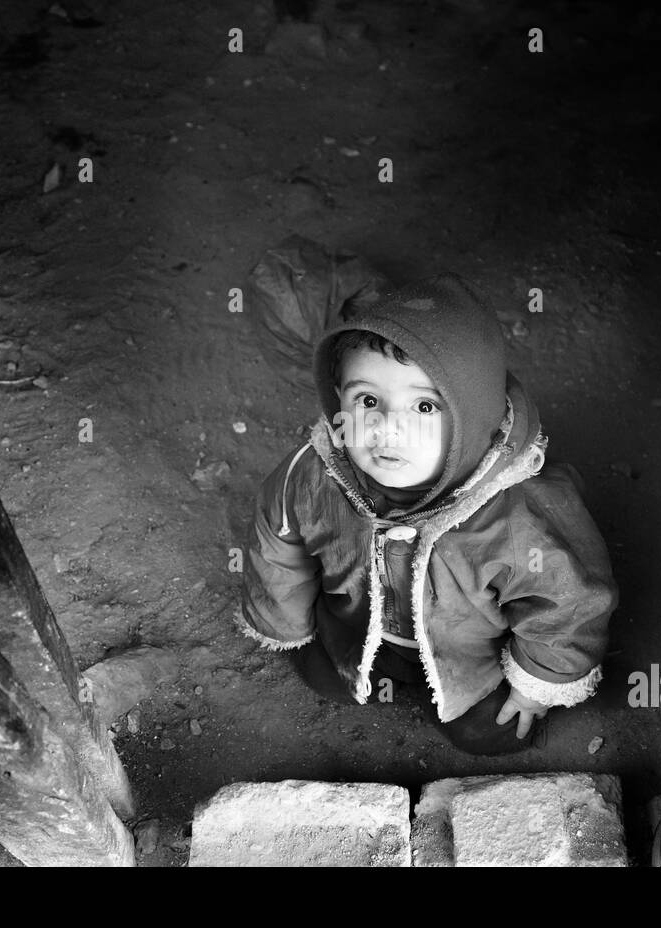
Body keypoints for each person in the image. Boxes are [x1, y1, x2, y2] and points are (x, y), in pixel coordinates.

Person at [235, 272, 618, 755]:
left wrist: (535, 683)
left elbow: (567, 604)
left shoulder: (520, 514)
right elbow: (277, 547)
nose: (387, 428)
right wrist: (287, 624)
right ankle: (368, 658)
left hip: (474, 655)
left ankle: (476, 691)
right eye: (367, 400)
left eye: (423, 406)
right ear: (337, 400)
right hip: (361, 625)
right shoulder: (313, 475)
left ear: (473, 415)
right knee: (323, 674)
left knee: (493, 734)